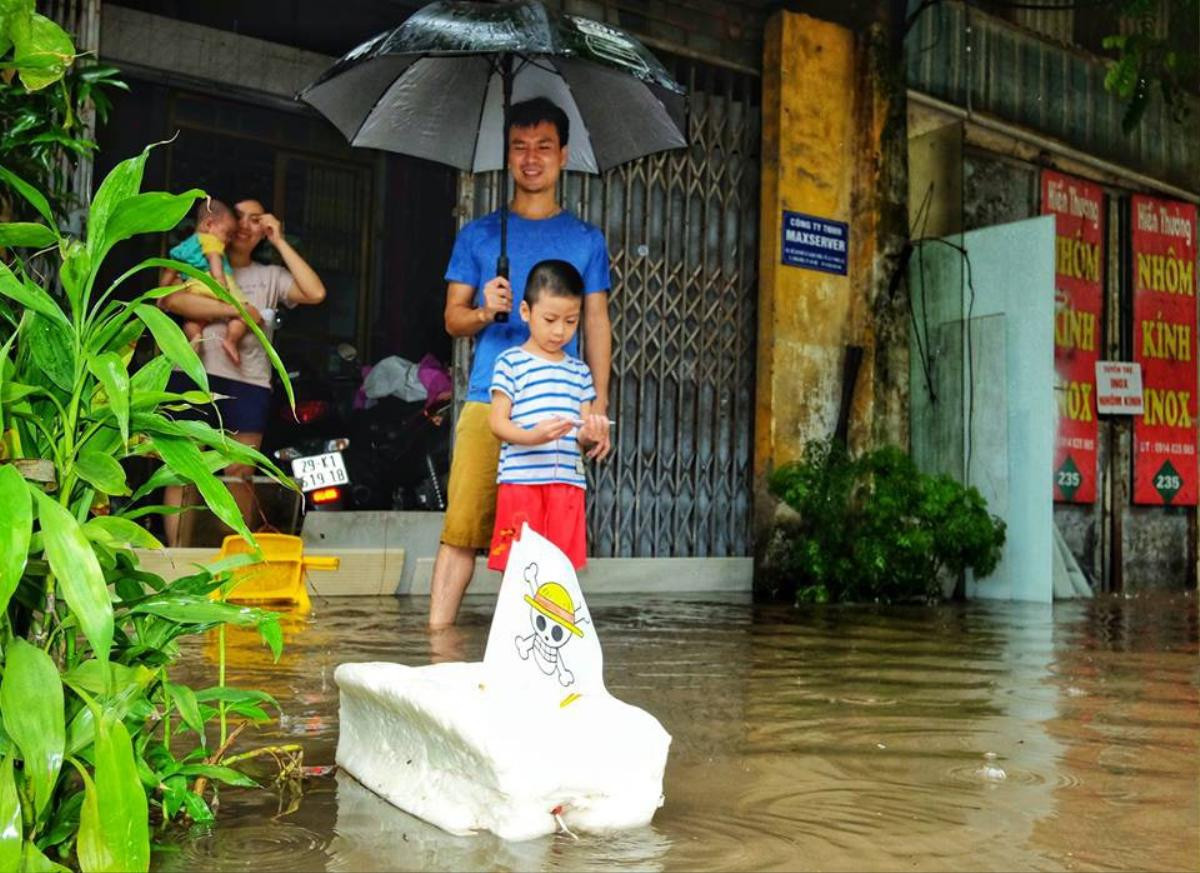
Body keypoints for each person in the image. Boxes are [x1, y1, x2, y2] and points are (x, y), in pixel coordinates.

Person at [431, 96, 613, 628]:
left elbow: (597, 322)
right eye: (519, 147)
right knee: (460, 531)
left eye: (543, 147)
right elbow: (452, 320)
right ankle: (434, 651)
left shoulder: (586, 240)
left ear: (563, 154)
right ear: (507, 155)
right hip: (490, 399)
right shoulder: (480, 234)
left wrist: (597, 403)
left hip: (559, 410)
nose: (531, 158)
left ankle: (539, 656)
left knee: (548, 543)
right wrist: (487, 309)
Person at [158, 198, 328, 546]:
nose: (245, 226)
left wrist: (279, 240)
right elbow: (169, 300)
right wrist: (234, 309)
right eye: (239, 218)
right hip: (192, 374)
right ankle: (178, 560)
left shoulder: (270, 276)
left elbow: (315, 292)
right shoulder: (198, 260)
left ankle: (234, 556)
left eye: (256, 221)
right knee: (181, 471)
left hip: (248, 383)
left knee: (239, 474)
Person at [487, 260, 609, 572]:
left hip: (567, 485)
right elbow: (497, 423)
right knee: (520, 569)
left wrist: (593, 432)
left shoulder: (580, 372)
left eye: (570, 321)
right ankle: (516, 623)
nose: (560, 331)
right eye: (551, 319)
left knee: (559, 571)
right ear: (526, 312)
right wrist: (533, 437)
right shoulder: (510, 362)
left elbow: (580, 433)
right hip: (521, 484)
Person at [167, 197, 250, 364]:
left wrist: (162, 293)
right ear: (210, 225)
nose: (227, 240)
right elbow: (215, 263)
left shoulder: (184, 246)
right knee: (244, 313)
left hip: (192, 285)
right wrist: (222, 289)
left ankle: (195, 338)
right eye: (227, 233)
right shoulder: (211, 240)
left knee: (193, 320)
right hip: (211, 282)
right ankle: (231, 340)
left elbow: (170, 269)